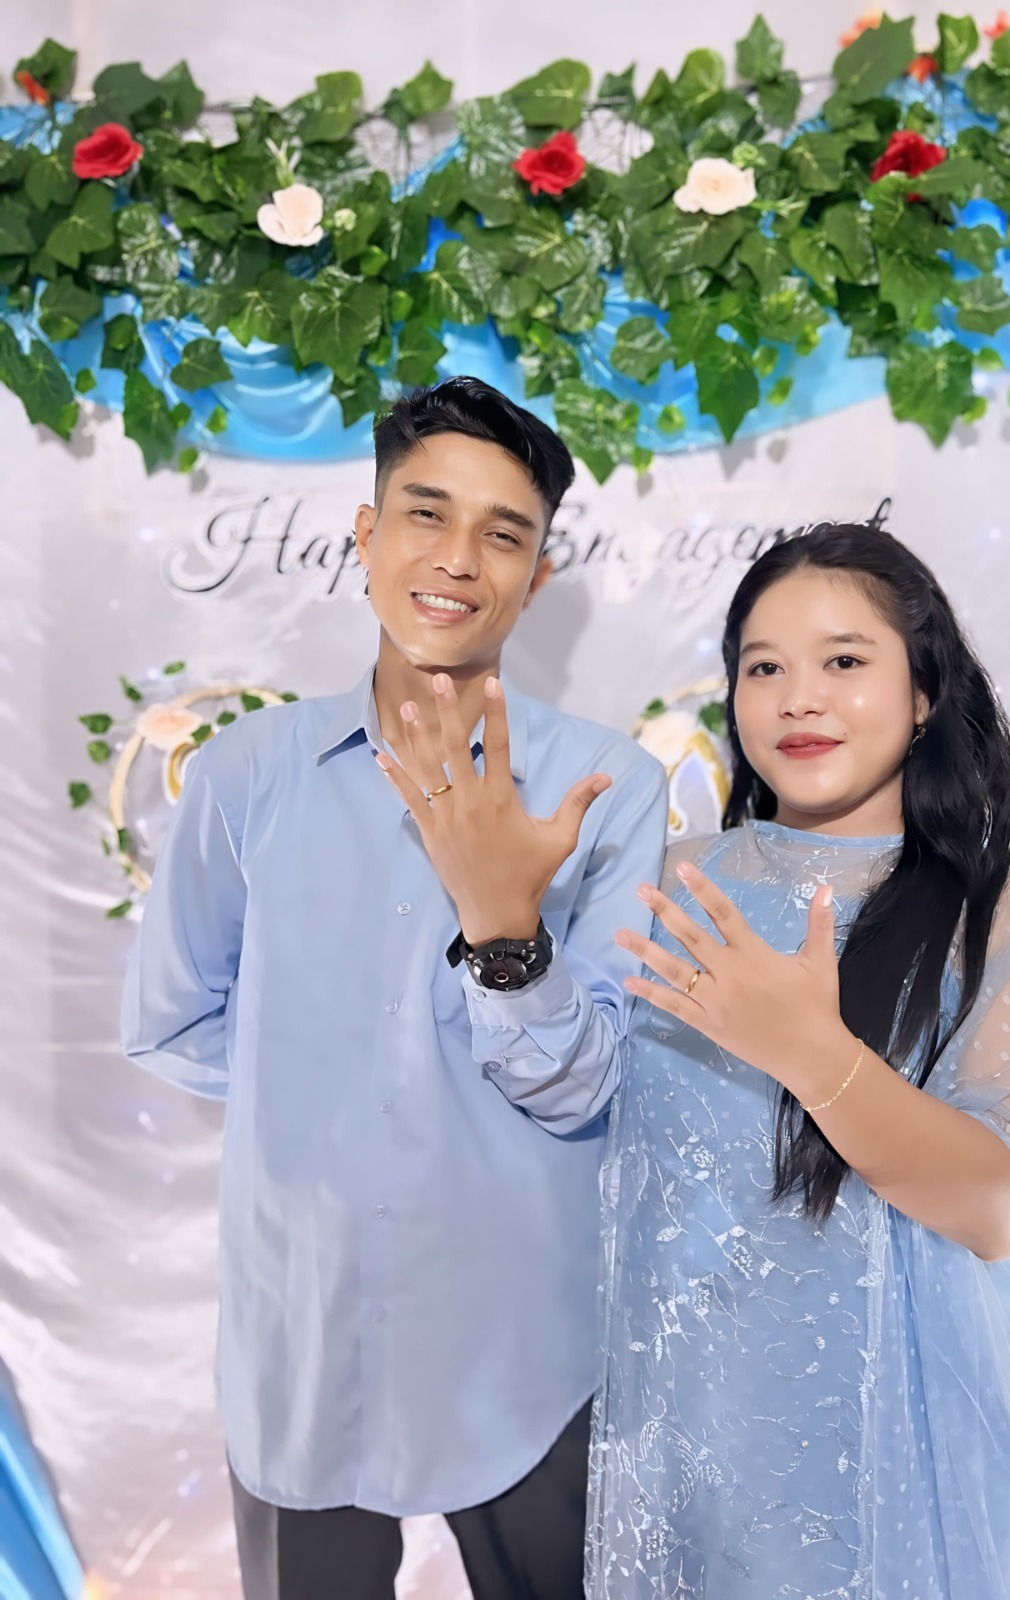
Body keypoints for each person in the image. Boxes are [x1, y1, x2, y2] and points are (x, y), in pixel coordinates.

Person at [121, 377, 668, 1600]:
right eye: (425, 514)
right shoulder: (244, 774)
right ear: (365, 536)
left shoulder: (605, 790)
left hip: (525, 1343)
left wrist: (504, 929)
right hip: (301, 1333)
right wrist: (321, 1082)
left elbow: (593, 1087)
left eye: (502, 533)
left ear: (536, 574)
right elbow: (172, 1018)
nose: (457, 558)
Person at [588, 520, 1010, 1599]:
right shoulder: (669, 885)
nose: (797, 699)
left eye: (843, 661)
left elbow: (1000, 1209)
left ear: (923, 692)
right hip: (686, 1444)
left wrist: (813, 1055)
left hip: (905, 1461)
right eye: (764, 668)